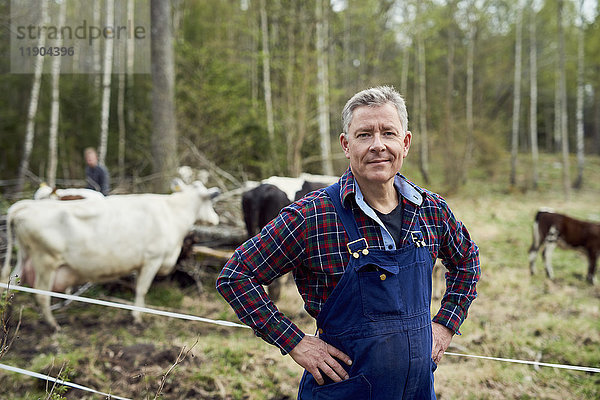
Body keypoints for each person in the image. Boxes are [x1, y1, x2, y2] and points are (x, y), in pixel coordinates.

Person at [216, 86, 480, 399]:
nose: (377, 145)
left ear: (405, 143)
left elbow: (467, 260)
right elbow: (236, 276)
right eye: (364, 134)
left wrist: (445, 325)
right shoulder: (312, 216)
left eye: (388, 133)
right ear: (346, 144)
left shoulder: (431, 210)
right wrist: (295, 342)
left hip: (418, 391)